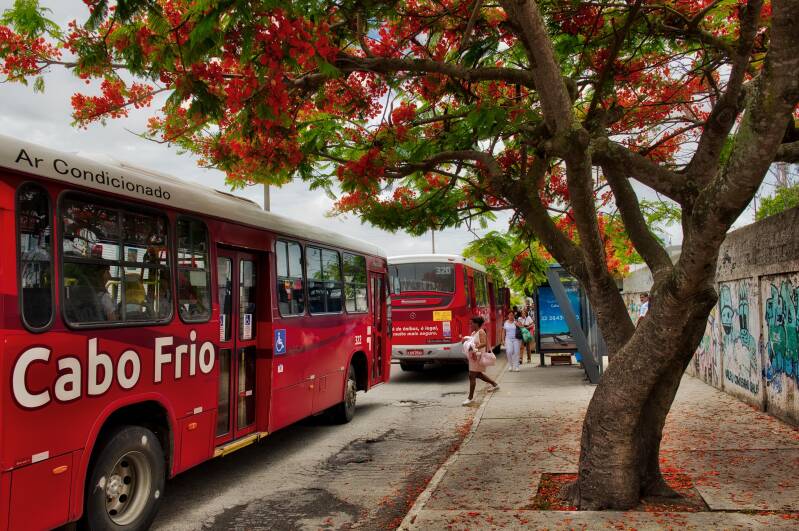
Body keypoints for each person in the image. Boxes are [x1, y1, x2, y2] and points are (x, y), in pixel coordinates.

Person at [462, 316, 499, 405]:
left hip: (477, 357)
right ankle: (495, 384)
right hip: (473, 356)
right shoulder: (474, 332)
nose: (470, 325)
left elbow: (484, 343)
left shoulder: (481, 332)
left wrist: (474, 347)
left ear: (476, 323)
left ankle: (470, 398)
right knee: (478, 374)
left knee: (472, 376)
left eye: (472, 323)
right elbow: (472, 342)